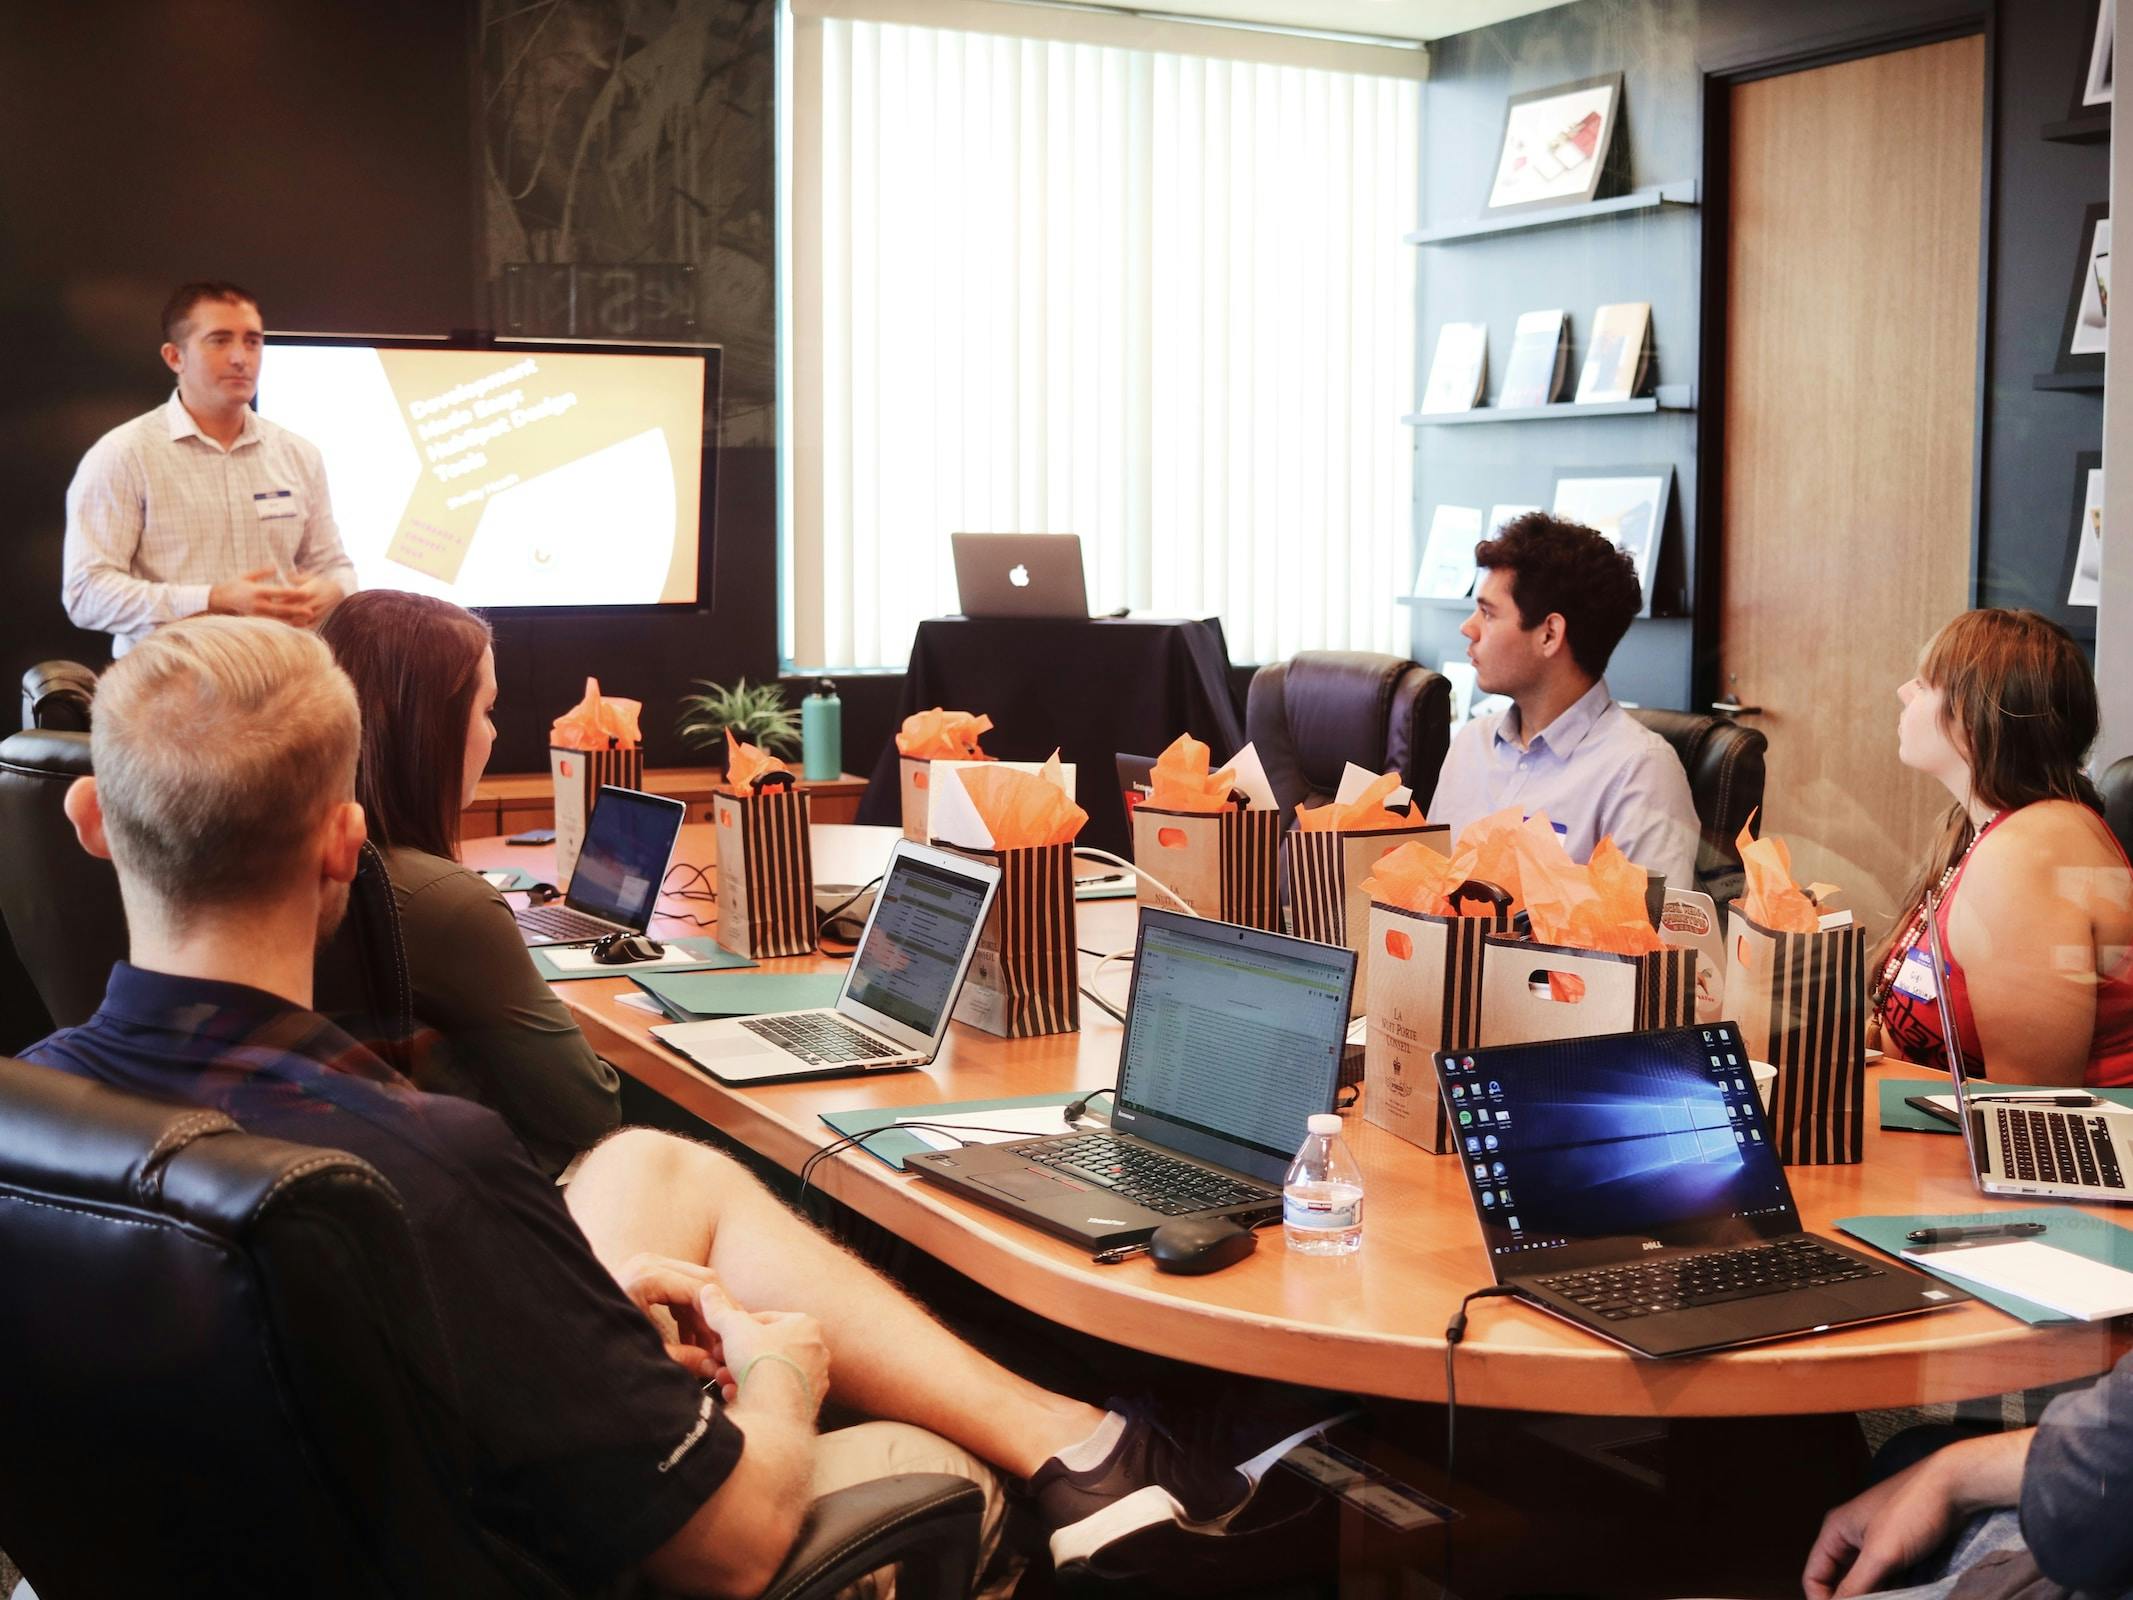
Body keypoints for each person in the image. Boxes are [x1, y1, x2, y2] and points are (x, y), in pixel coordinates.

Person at [22, 615, 1261, 1597]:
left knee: (654, 1165)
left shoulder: (37, 1114)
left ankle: (1080, 1434)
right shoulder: (424, 1165)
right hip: (570, 1555)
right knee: (937, 1475)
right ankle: (1075, 1465)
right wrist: (779, 1371)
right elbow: (722, 1549)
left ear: (89, 821)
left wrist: (573, 1319)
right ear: (343, 842)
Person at [317, 589, 619, 1174]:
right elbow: (591, 1112)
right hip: (494, 1199)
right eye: (486, 711)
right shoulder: (446, 903)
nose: (494, 735)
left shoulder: (298, 863)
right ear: (428, 729)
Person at [1872, 608, 2133, 1088]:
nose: (1903, 692)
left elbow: (2030, 1111)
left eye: (1927, 684)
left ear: (1975, 715)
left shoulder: (2029, 852)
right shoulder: (1982, 827)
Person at [62, 280, 355, 657]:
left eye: (252, 341)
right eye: (220, 340)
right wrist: (212, 599)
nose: (241, 357)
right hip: (171, 687)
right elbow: (86, 593)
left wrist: (332, 590)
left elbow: (336, 568)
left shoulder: (299, 453)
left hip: (284, 680)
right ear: (174, 357)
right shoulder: (124, 455)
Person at [1429, 512, 1700, 889]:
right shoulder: (1470, 744)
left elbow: (1649, 941)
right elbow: (1423, 900)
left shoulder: (1639, 771)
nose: (1468, 628)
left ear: (1549, 634)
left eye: (1488, 614)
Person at [1803, 1354, 2133, 1599]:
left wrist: (1950, 1477)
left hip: (2089, 1548)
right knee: (1911, 1452)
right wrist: (1947, 1472)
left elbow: (2085, 1519)